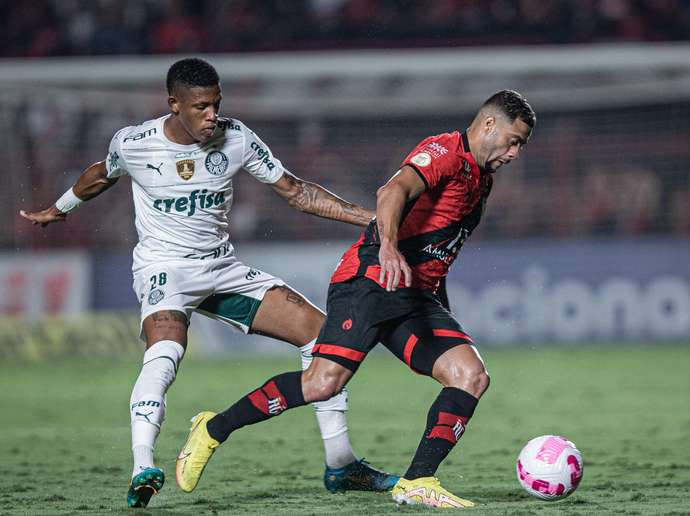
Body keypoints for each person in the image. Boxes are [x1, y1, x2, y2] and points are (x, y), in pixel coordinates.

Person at [19, 57, 397, 508]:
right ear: (173, 104)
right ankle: (143, 465)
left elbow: (296, 191)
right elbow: (101, 175)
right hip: (165, 270)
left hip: (221, 268)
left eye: (216, 104)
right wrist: (59, 209)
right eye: (200, 107)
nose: (211, 115)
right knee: (165, 353)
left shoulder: (235, 137)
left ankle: (341, 464)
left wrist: (374, 220)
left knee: (322, 335)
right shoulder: (136, 143)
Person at [176, 89, 536, 508]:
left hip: (414, 297)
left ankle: (417, 481)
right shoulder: (443, 152)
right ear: (489, 124)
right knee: (322, 384)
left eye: (521, 146)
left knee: (470, 375)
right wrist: (387, 247)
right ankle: (213, 429)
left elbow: (440, 251)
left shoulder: (481, 180)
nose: (515, 153)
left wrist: (441, 310)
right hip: (369, 280)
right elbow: (391, 192)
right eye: (514, 140)